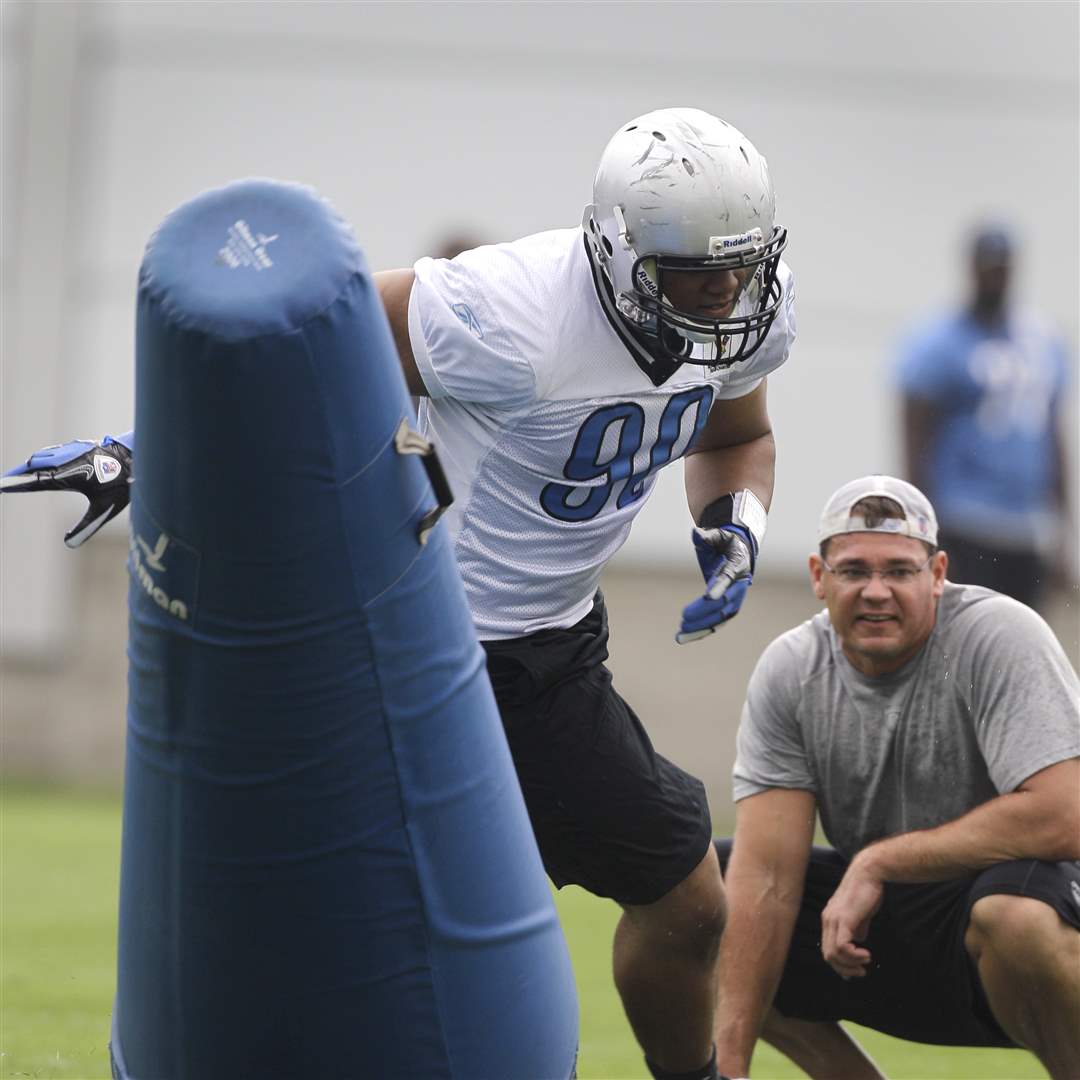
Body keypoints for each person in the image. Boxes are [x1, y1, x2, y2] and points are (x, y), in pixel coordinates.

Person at [2, 107, 798, 1080]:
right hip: (416, 647)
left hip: (554, 659)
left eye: (738, 269)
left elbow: (732, 438)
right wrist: (146, 449)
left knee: (690, 904)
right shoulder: (512, 311)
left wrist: (738, 523)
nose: (722, 296)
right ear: (615, 252)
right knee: (343, 935)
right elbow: (301, 346)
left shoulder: (747, 300)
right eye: (693, 275)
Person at [712, 474, 1080, 1080]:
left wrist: (879, 862)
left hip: (1021, 930)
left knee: (1015, 914)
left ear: (937, 575)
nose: (876, 592)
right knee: (707, 894)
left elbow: (1064, 815)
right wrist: (729, 1069)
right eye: (854, 571)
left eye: (900, 571)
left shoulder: (998, 635)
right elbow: (767, 879)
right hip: (876, 942)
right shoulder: (792, 669)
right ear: (818, 577)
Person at [896, 224, 1074, 612]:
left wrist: (1064, 532)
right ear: (971, 267)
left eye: (1003, 267)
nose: (995, 277)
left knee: (1021, 646)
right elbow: (914, 437)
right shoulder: (938, 341)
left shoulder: (1041, 340)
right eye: (987, 266)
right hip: (964, 523)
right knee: (966, 643)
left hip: (1025, 528)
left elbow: (1053, 437)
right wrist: (922, 530)